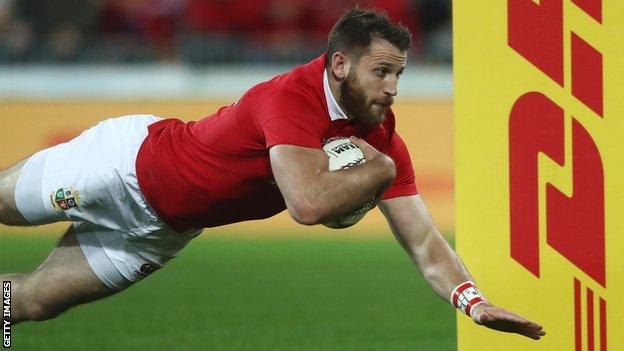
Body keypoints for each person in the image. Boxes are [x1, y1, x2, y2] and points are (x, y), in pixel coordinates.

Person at [0, 8, 545, 340]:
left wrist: (472, 301)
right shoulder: (291, 97)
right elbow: (307, 205)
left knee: (31, 303)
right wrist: (374, 172)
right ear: (340, 65)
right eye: (381, 71)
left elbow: (425, 242)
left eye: (398, 73)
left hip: (156, 234)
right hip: (122, 166)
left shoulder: (383, 141)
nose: (393, 88)